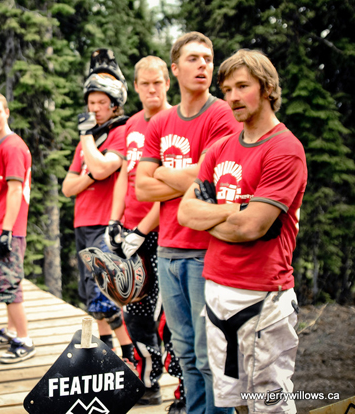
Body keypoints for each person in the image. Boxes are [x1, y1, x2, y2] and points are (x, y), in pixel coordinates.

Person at [178, 49, 306, 414]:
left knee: (269, 401)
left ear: (266, 88)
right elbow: (186, 212)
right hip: (216, 289)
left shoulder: (285, 149)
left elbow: (253, 226)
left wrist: (221, 218)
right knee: (235, 402)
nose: (232, 97)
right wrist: (233, 214)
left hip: (263, 297)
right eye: (227, 89)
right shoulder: (219, 149)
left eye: (243, 86)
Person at [135, 32, 241, 414]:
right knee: (184, 351)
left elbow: (210, 180)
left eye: (209, 59)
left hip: (206, 253)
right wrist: (184, 178)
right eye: (194, 58)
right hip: (168, 250)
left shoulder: (222, 115)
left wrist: (163, 173)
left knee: (209, 353)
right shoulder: (161, 122)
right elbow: (142, 189)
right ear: (175, 69)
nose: (204, 65)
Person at [106, 55, 186, 410]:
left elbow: (170, 188)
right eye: (145, 84)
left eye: (158, 82)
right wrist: (115, 221)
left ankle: (184, 387)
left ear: (167, 83)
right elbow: (126, 173)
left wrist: (140, 230)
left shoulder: (176, 121)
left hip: (164, 228)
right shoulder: (132, 124)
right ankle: (146, 381)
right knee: (134, 310)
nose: (152, 89)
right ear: (135, 87)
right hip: (130, 230)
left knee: (171, 315)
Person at [61, 48, 136, 364]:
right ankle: (109, 354)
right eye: (90, 103)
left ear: (115, 104)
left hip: (106, 223)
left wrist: (89, 145)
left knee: (108, 295)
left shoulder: (119, 132)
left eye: (100, 104)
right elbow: (68, 187)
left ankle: (131, 354)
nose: (93, 110)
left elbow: (105, 168)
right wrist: (92, 169)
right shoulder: (87, 141)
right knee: (91, 296)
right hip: (83, 221)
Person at [0, 91, 35, 364]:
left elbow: (14, 191)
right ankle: (11, 331)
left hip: (7, 228)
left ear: (7, 112)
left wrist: (8, 230)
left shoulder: (13, 146)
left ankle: (24, 339)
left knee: (11, 285)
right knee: (1, 283)